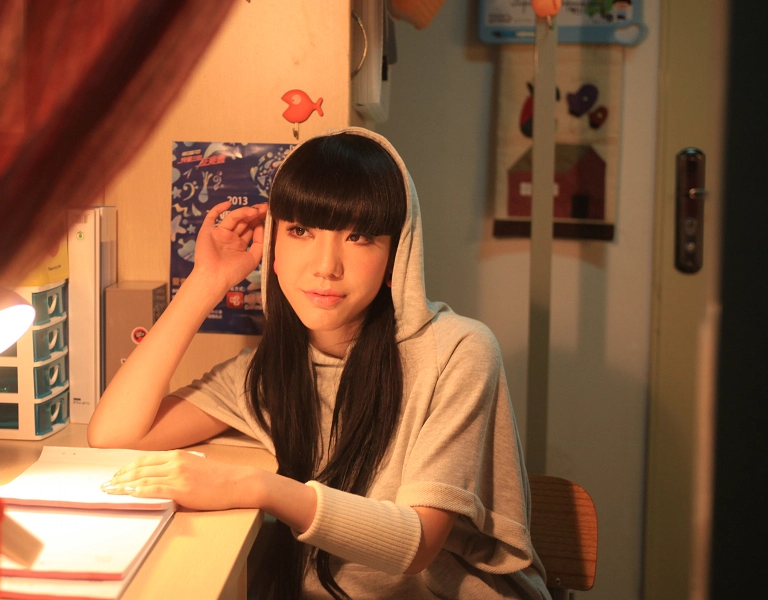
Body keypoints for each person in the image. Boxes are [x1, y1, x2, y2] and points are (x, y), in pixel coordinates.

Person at [87, 128, 550, 599]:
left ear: (396, 254)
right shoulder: (269, 374)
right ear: (273, 244)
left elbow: (417, 544)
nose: (326, 265)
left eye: (360, 237)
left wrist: (257, 487)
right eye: (301, 231)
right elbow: (115, 436)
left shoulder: (460, 351)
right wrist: (207, 279)